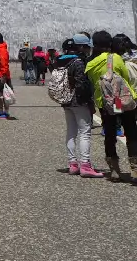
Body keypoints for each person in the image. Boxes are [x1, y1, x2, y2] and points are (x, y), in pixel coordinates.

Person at [85, 30, 137, 182]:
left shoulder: (90, 63)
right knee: (131, 132)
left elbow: (92, 82)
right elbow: (125, 78)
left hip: (105, 103)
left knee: (110, 134)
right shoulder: (114, 58)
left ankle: (114, 170)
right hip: (121, 100)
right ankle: (134, 170)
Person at [53, 36, 102, 178]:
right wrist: (88, 101)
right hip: (79, 102)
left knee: (71, 132)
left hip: (65, 100)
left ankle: (72, 164)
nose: (88, 50)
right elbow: (81, 84)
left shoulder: (60, 60)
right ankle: (85, 165)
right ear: (80, 47)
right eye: (86, 47)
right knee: (85, 132)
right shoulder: (78, 62)